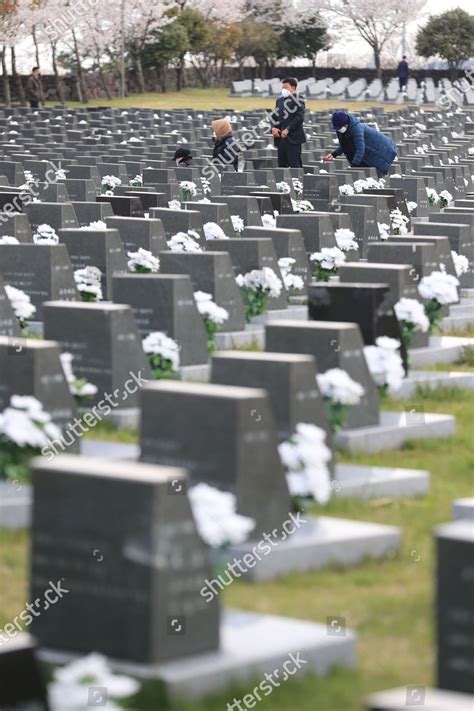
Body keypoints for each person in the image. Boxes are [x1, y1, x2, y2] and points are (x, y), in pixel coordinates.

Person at [324, 111, 397, 177]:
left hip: (379, 151)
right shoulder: (341, 129)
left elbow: (360, 149)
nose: (338, 129)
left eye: (339, 127)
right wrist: (333, 154)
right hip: (367, 152)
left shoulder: (357, 129)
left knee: (376, 173)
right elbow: (345, 144)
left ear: (345, 124)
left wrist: (354, 166)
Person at [270, 77, 306, 168]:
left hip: (293, 138)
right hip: (281, 139)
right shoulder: (280, 100)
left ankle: (298, 182)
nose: (284, 90)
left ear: (293, 88)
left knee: (295, 165)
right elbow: (274, 116)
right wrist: (273, 128)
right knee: (281, 165)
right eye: (282, 88)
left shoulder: (299, 99)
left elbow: (299, 117)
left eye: (286, 87)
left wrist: (288, 129)